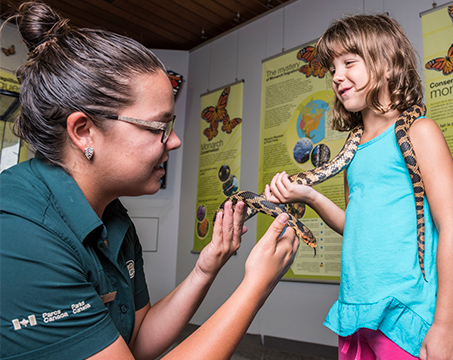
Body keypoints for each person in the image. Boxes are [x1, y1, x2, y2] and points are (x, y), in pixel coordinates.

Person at [0, 2, 299, 359]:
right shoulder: (20, 233)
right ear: (84, 132)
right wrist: (255, 288)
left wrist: (207, 266)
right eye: (160, 126)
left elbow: (137, 341)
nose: (174, 141)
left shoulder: (113, 217)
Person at [265, 14, 453, 360]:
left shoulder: (421, 132)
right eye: (332, 70)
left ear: (387, 66)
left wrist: (447, 325)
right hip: (355, 310)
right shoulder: (352, 151)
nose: (337, 77)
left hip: (404, 313)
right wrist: (309, 196)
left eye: (348, 63)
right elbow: (356, 226)